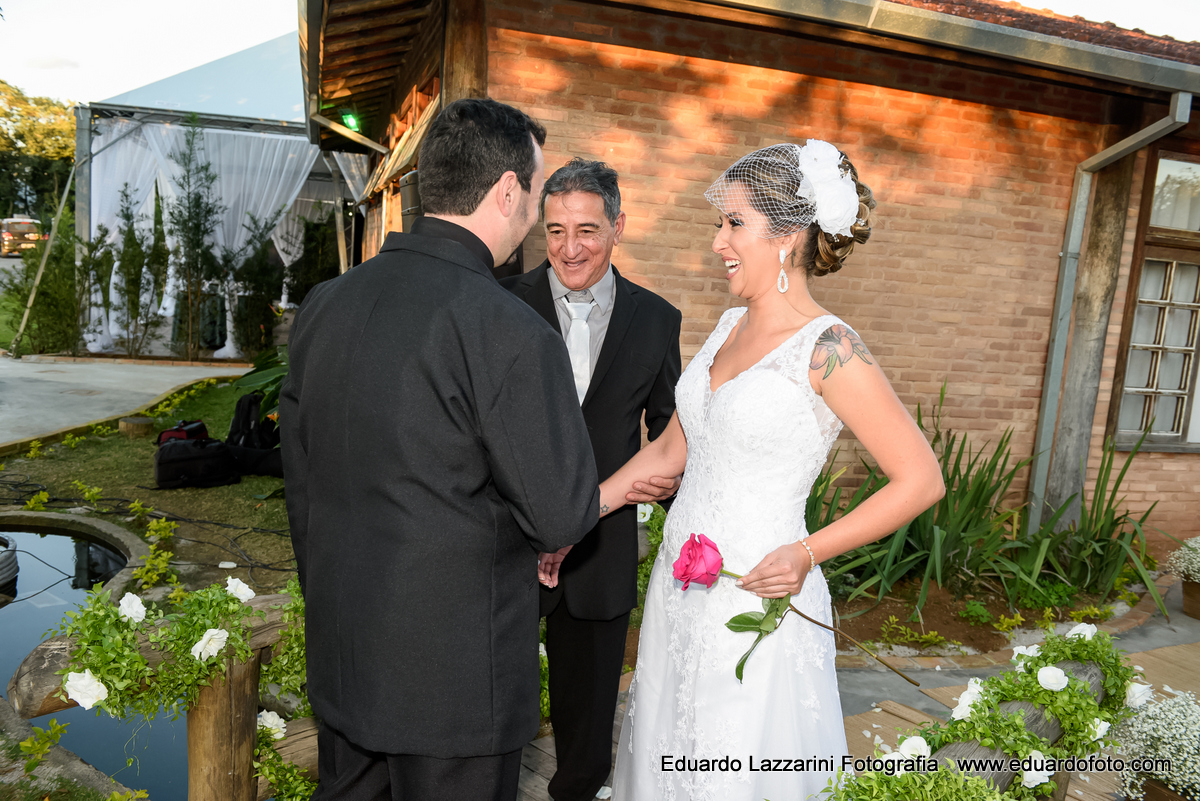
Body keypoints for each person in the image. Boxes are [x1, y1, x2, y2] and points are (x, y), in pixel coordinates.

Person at [589, 141, 946, 800]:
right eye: (719, 222)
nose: (717, 240)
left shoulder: (830, 347)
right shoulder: (726, 326)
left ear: (787, 236)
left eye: (733, 223)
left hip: (758, 596)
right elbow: (672, 453)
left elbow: (921, 478)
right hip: (683, 590)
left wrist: (808, 552)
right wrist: (579, 511)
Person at [279, 98, 600, 801]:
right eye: (538, 190)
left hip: (344, 657)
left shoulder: (323, 307)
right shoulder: (508, 330)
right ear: (508, 190)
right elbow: (562, 512)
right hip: (454, 689)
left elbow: (301, 483)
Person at [501, 158, 683, 801]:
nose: (568, 248)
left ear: (618, 226)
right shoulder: (502, 304)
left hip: (603, 549)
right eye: (553, 231)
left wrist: (686, 510)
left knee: (588, 723)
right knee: (492, 700)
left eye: (585, 230)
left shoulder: (658, 319)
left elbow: (669, 431)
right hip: (508, 543)